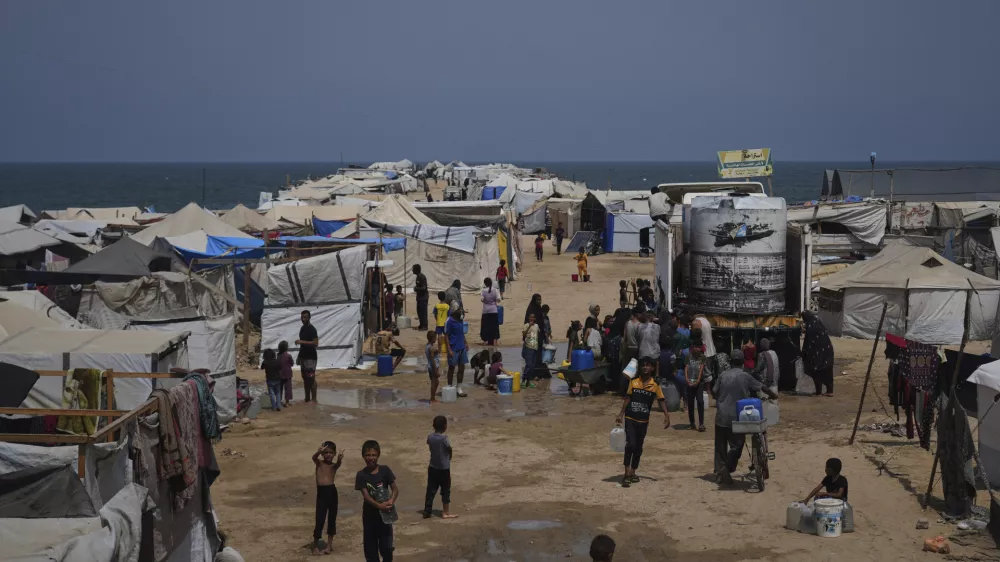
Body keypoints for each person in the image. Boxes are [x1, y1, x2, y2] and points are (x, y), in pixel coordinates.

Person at [713, 349, 778, 485]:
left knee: (720, 447)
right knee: (737, 445)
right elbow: (762, 387)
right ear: (743, 362)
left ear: (731, 362)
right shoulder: (745, 376)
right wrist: (773, 395)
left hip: (720, 416)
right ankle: (726, 469)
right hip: (737, 417)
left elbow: (714, 391)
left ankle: (720, 473)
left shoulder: (723, 375)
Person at [615, 357, 670, 487]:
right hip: (630, 418)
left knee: (638, 448)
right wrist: (621, 414)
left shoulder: (655, 386)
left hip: (643, 420)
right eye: (643, 365)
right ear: (640, 368)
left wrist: (667, 416)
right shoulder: (633, 382)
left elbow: (661, 400)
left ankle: (633, 472)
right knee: (630, 445)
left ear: (652, 368)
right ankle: (626, 473)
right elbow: (627, 398)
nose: (645, 368)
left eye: (648, 365)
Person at [355, 441, 397, 562]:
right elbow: (366, 497)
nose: (371, 458)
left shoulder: (385, 470)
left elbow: (395, 489)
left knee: (387, 550)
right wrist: (380, 506)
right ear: (363, 456)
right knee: (371, 553)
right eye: (368, 455)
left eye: (373, 455)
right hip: (370, 518)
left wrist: (391, 501)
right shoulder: (361, 475)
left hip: (385, 518)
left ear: (378, 455)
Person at [312, 441, 344, 555]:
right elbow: (313, 457)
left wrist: (340, 458)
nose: (328, 455)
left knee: (332, 518)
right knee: (319, 518)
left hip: (332, 492)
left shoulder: (333, 466)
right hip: (321, 493)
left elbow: (339, 464)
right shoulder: (319, 463)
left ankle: (329, 546)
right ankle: (315, 545)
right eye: (325, 452)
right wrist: (318, 452)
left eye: (331, 452)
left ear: (334, 454)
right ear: (322, 454)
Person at [424, 416, 458, 519]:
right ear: (445, 426)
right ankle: (446, 512)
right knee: (445, 490)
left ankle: (427, 511)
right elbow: (449, 448)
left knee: (431, 490)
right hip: (444, 468)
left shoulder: (430, 437)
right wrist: (450, 457)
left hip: (433, 466)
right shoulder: (444, 438)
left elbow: (429, 444)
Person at [801, 311, 835, 396]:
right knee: (827, 370)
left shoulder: (810, 325)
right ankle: (829, 391)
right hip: (827, 352)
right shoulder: (818, 322)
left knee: (815, 370)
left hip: (817, 354)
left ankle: (819, 392)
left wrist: (804, 353)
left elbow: (808, 341)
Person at [683, 344, 710, 431]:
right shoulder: (688, 356)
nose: (697, 349)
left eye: (699, 347)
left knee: (700, 401)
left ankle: (701, 424)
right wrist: (687, 379)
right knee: (690, 403)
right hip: (690, 382)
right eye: (696, 347)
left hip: (699, 383)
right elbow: (686, 368)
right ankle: (692, 423)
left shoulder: (702, 357)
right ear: (693, 348)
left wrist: (697, 381)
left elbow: (701, 369)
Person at [444, 308, 469, 397]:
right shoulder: (449, 321)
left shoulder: (460, 319)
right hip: (453, 348)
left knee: (462, 368)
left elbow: (462, 332)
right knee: (451, 368)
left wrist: (465, 342)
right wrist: (449, 349)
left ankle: (459, 387)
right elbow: (446, 336)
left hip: (462, 347)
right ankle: (450, 386)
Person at [296, 310, 319, 402]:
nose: (303, 319)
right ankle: (307, 398)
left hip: (311, 357)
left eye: (305, 317)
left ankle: (314, 400)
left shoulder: (312, 329)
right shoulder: (302, 328)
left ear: (309, 318)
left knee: (311, 378)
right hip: (303, 357)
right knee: (305, 377)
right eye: (302, 317)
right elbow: (302, 345)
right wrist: (299, 356)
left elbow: (316, 343)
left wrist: (302, 342)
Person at [522, 313, 541, 388]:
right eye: (531, 317)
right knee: (529, 365)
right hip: (528, 347)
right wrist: (529, 326)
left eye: (533, 318)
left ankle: (529, 381)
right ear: (528, 318)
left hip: (535, 347)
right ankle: (523, 380)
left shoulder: (536, 326)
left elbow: (538, 334)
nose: (532, 319)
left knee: (532, 366)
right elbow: (523, 334)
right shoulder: (526, 325)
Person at [480, 278, 500, 345]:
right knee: (494, 326)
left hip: (485, 311)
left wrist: (486, 301)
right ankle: (495, 341)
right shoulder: (495, 290)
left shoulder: (483, 291)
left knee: (485, 326)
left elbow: (482, 299)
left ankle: (485, 341)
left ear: (485, 283)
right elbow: (498, 299)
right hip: (494, 310)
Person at [426, 331, 441, 403]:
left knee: (436, 382)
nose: (436, 339)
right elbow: (432, 360)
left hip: (431, 366)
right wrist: (436, 370)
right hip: (433, 366)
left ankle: (433, 397)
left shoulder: (428, 346)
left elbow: (437, 351)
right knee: (434, 382)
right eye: (435, 338)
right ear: (432, 338)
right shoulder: (431, 348)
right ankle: (432, 398)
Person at [278, 340, 294, 407]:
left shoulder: (278, 355)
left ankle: (279, 401)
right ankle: (287, 402)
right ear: (286, 348)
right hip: (288, 374)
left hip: (280, 373)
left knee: (280, 388)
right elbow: (292, 363)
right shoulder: (288, 355)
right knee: (288, 388)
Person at [413, 265, 429, 330]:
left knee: (423, 312)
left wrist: (416, 288)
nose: (412, 270)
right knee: (419, 311)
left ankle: (425, 326)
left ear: (416, 269)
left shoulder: (422, 277)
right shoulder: (418, 277)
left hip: (423, 297)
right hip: (419, 297)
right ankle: (421, 324)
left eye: (413, 269)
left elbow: (424, 287)